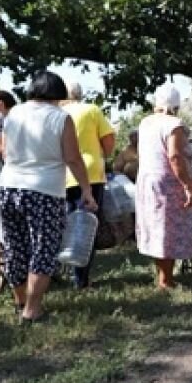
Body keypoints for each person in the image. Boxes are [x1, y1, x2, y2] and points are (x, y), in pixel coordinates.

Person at [0, 71, 97, 323]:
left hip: (9, 186)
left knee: (15, 247)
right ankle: (32, 310)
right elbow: (73, 158)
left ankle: (21, 302)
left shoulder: (13, 114)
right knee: (44, 248)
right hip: (44, 190)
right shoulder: (60, 117)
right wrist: (86, 189)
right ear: (57, 94)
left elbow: (4, 151)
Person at [135, 84, 192, 290]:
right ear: (176, 106)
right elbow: (174, 156)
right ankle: (166, 280)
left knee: (156, 229)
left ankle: (162, 276)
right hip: (167, 182)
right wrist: (187, 186)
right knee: (168, 231)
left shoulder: (145, 123)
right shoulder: (174, 124)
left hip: (146, 180)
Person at [62, 82, 115, 289]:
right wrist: (102, 156)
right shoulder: (91, 110)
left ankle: (64, 272)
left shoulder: (56, 113)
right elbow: (108, 139)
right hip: (90, 173)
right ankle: (81, 278)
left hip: (63, 173)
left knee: (66, 223)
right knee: (86, 225)